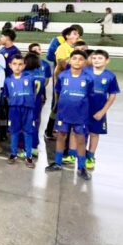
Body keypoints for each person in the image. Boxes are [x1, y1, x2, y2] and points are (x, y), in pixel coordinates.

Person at [45, 49, 92, 180]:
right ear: (70, 60)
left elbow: (91, 96)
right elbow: (58, 92)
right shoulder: (63, 76)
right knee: (61, 136)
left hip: (80, 115)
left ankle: (82, 167)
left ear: (85, 62)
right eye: (75, 58)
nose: (77, 61)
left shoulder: (88, 78)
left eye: (81, 59)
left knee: (81, 139)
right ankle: (58, 163)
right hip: (64, 113)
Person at [84, 49, 120, 171]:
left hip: (98, 110)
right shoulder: (85, 72)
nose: (96, 60)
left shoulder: (110, 76)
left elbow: (112, 95)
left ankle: (91, 157)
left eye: (100, 58)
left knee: (94, 133)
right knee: (79, 132)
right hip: (83, 109)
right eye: (94, 58)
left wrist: (103, 111)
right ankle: (77, 155)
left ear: (107, 61)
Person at [5, 55, 37, 167]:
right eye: (14, 64)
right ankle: (13, 154)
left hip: (28, 109)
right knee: (14, 131)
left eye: (20, 64)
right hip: (14, 109)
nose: (17, 67)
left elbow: (35, 92)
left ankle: (29, 157)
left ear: (24, 66)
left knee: (28, 132)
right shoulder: (8, 80)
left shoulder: (30, 78)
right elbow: (7, 95)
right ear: (10, 65)